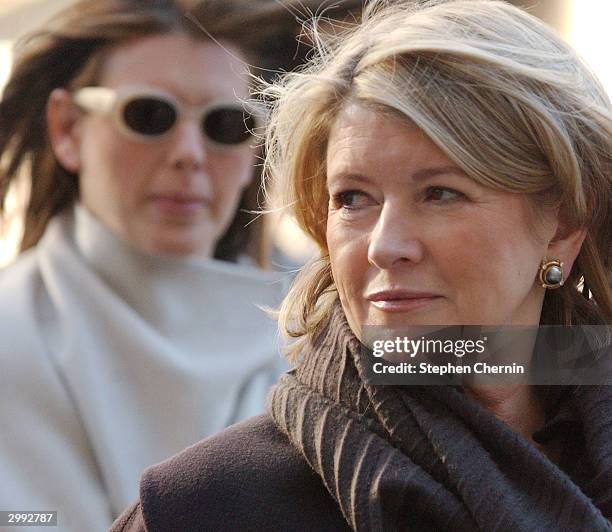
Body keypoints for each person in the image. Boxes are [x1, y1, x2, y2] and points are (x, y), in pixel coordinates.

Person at [111, 0, 612, 530]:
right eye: (352, 199)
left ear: (561, 225)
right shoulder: (201, 510)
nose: (383, 245)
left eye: (439, 193)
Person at [0, 0, 340, 529]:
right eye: (148, 114)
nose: (189, 153)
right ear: (68, 128)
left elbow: (501, 357)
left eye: (227, 124)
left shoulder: (325, 335)